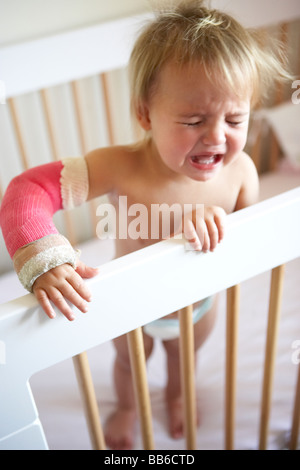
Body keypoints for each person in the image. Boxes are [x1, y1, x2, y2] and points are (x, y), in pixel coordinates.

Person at [0, 0, 290, 450]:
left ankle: (177, 397)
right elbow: (29, 189)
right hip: (126, 305)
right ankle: (129, 407)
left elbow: (249, 247)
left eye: (235, 119)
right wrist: (44, 256)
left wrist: (222, 224)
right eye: (193, 120)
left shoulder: (242, 173)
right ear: (145, 115)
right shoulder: (121, 166)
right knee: (128, 365)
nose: (216, 137)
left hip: (198, 307)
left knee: (182, 362)